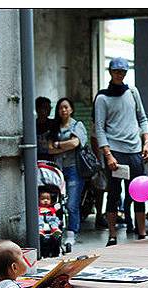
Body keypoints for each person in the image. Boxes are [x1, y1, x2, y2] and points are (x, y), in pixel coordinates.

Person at [93, 57, 148, 246]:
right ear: (110, 72)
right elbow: (99, 129)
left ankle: (141, 233)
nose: (120, 74)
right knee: (114, 193)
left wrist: (147, 142)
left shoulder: (132, 92)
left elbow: (143, 118)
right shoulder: (102, 97)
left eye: (123, 71)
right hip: (116, 151)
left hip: (135, 150)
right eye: (117, 71)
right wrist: (107, 154)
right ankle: (112, 235)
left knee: (138, 192)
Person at [47, 97, 87, 246]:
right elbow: (50, 149)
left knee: (72, 204)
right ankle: (56, 231)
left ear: (71, 109)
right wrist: (65, 144)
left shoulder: (78, 125)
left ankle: (72, 233)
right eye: (60, 108)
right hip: (57, 170)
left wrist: (58, 144)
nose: (63, 110)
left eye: (66, 107)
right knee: (57, 204)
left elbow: (76, 143)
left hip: (74, 168)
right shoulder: (55, 127)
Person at [36, 96, 53, 161]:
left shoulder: (53, 124)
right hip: (36, 160)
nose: (48, 110)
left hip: (51, 160)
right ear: (37, 109)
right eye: (45, 108)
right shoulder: (32, 126)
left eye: (49, 108)